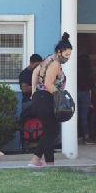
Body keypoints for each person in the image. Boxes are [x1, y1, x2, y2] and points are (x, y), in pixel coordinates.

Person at [28, 32, 73, 168]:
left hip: (40, 97)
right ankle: (42, 162)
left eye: (69, 55)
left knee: (49, 131)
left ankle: (42, 162)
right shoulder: (55, 64)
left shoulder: (48, 60)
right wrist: (61, 98)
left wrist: (34, 92)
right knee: (52, 132)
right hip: (46, 98)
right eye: (66, 55)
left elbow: (35, 72)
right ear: (59, 52)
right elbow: (48, 84)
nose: (68, 58)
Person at [77, 54, 94, 144]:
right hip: (86, 94)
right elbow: (91, 86)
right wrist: (90, 101)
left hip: (76, 93)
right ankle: (86, 136)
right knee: (84, 117)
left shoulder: (75, 70)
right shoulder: (89, 72)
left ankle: (77, 135)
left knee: (74, 116)